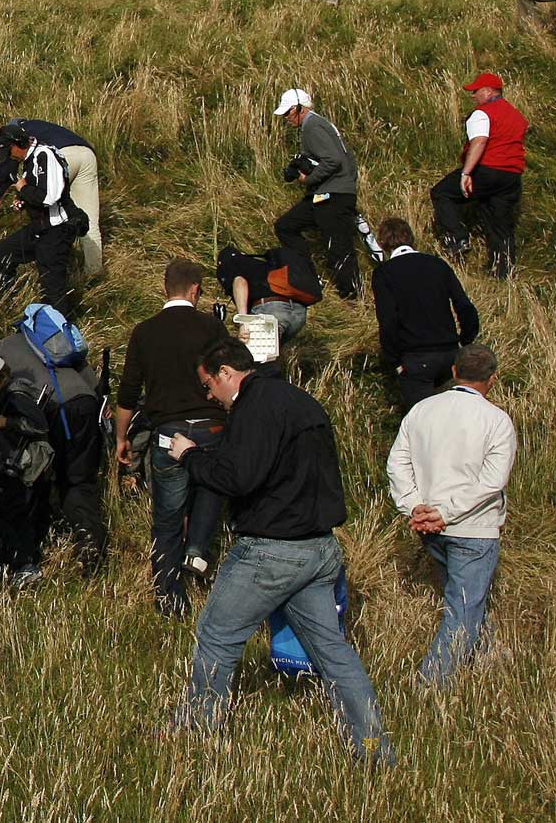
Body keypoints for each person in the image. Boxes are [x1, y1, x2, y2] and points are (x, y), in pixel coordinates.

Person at [169, 339, 391, 763]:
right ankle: (373, 748)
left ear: (226, 374)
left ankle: (196, 734)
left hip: (271, 550)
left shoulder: (254, 407)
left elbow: (238, 478)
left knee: (217, 636)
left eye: (208, 386)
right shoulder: (298, 400)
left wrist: (191, 456)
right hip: (319, 547)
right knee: (333, 653)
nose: (209, 396)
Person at [386, 344, 516, 687]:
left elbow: (398, 463)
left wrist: (414, 505)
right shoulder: (496, 420)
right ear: (493, 378)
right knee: (464, 608)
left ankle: (487, 656)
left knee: (464, 601)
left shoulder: (422, 410)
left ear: (455, 372)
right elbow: (492, 482)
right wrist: (444, 512)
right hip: (473, 528)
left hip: (429, 527)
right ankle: (431, 684)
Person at [114, 258, 232, 614]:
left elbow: (128, 392)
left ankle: (170, 599)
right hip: (211, 426)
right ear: (195, 290)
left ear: (165, 288)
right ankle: (197, 550)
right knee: (211, 485)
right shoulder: (212, 327)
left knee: (167, 516)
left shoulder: (144, 332)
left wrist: (122, 438)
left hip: (167, 431)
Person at [0, 309, 107, 581]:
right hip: (85, 406)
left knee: (40, 477)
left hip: (47, 411)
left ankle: (32, 549)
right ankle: (90, 542)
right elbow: (94, 384)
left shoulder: (3, 348)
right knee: (79, 480)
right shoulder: (59, 347)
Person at [372, 217, 480, 414]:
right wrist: (465, 340)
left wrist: (394, 360)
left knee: (423, 421)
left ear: (382, 243)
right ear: (411, 238)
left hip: (415, 358)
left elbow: (388, 321)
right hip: (449, 353)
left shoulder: (384, 273)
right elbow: (464, 306)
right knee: (453, 417)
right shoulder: (438, 265)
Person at [431, 71, 528, 278]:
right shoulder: (516, 115)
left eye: (476, 91)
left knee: (441, 193)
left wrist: (466, 172)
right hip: (512, 176)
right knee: (500, 223)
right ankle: (503, 272)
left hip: (487, 169)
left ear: (488, 91)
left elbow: (480, 141)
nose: (473, 95)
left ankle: (457, 237)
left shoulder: (482, 113)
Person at [270, 87, 360, 299]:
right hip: (328, 193)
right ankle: (309, 275)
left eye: (287, 112)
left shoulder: (312, 126)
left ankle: (350, 296)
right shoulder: (320, 124)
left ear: (299, 108)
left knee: (338, 247)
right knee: (286, 226)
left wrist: (308, 179)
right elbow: (346, 158)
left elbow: (333, 159)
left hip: (333, 196)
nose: (286, 118)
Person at [0, 124, 88, 316]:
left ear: (17, 144)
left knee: (52, 286)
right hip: (40, 228)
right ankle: (4, 308)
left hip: (57, 230)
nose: (9, 157)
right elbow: (38, 193)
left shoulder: (45, 155)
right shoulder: (32, 159)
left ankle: (60, 329)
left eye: (9, 151)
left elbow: (49, 197)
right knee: (2, 253)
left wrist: (23, 189)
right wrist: (23, 201)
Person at [0, 118, 103, 279]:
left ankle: (53, 258)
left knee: (48, 210)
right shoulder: (40, 126)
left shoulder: (23, 139)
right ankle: (94, 272)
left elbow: (12, 171)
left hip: (62, 154)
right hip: (86, 154)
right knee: (90, 219)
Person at [216, 245, 313, 344]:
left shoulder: (229, 264)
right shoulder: (261, 264)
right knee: (272, 350)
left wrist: (243, 323)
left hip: (272, 310)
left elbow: (240, 282)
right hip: (298, 313)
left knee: (256, 351)